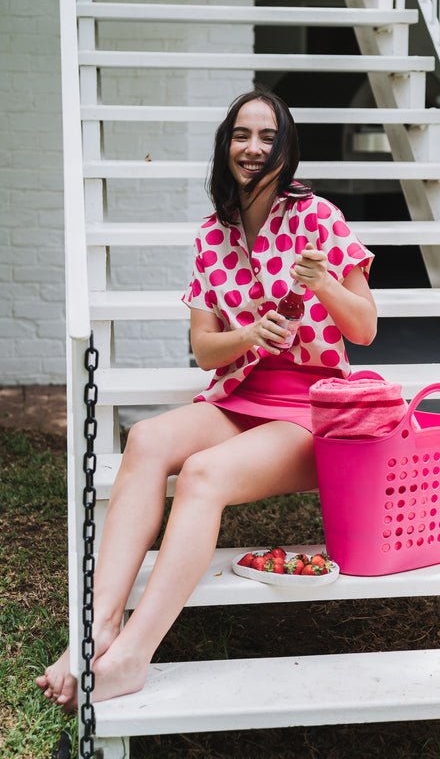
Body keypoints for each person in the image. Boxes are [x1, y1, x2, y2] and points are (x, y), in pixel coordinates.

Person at [36, 89, 377, 708]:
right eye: (241, 135)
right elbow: (205, 350)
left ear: (286, 146)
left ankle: (134, 656)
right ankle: (100, 626)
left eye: (267, 136)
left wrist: (322, 281)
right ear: (225, 146)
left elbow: (365, 330)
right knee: (146, 439)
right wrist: (247, 335)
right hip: (239, 397)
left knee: (202, 475)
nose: (253, 148)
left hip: (308, 411)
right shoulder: (211, 236)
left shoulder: (319, 218)